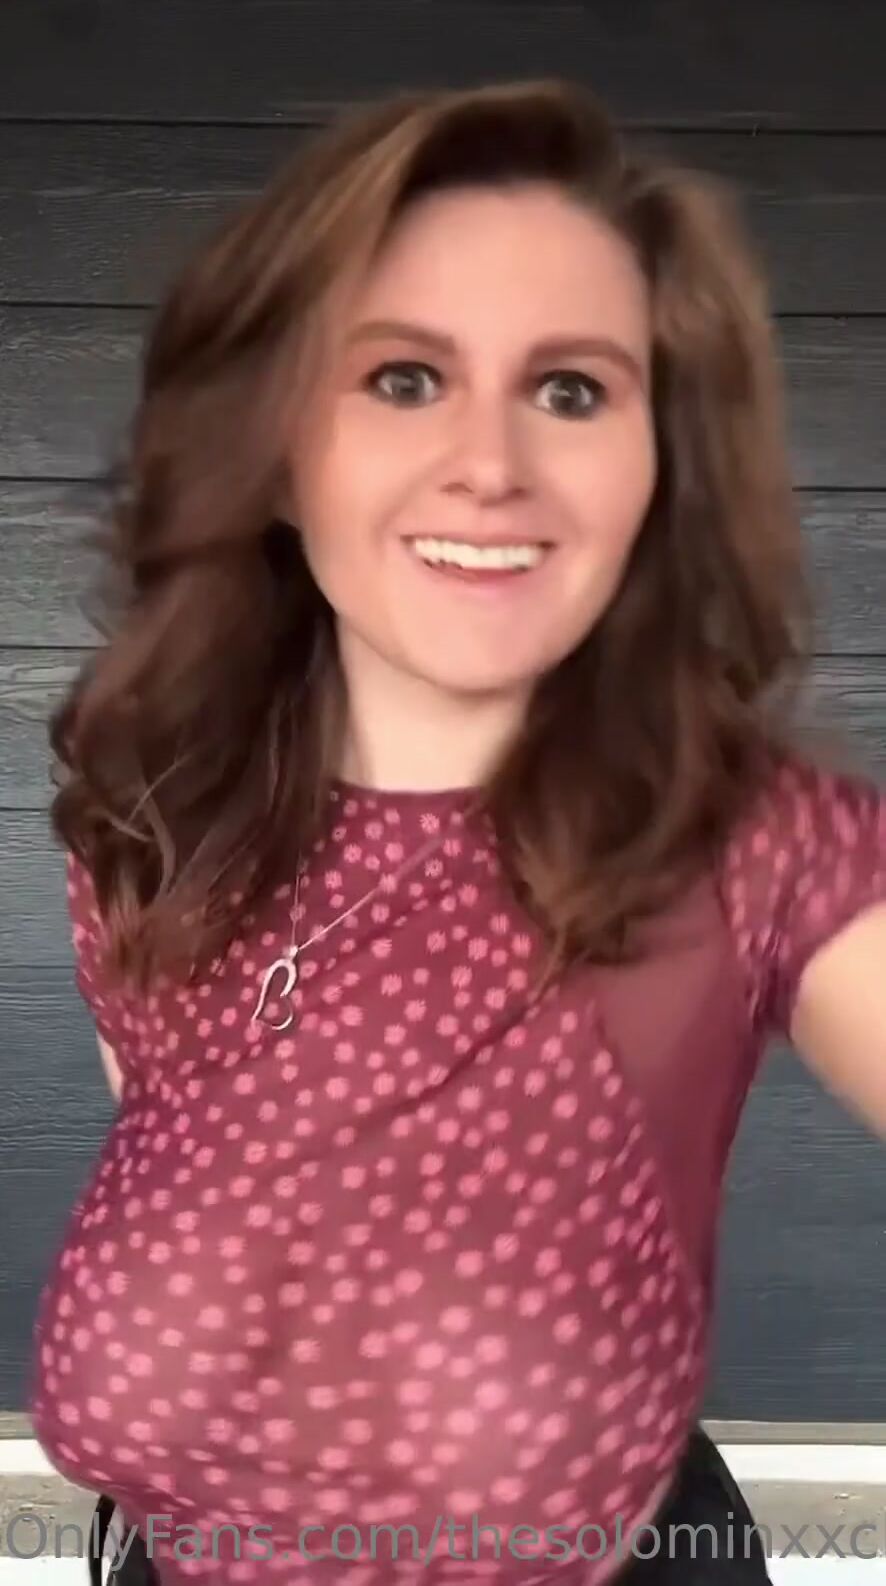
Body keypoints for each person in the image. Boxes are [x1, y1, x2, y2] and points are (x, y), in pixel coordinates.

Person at [26, 77, 885, 1586]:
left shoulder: (750, 844)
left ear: (659, 469)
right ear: (276, 448)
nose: (490, 462)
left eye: (573, 390)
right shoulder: (152, 826)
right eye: (404, 376)